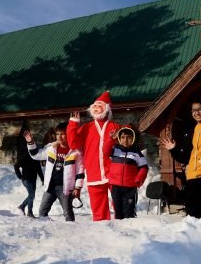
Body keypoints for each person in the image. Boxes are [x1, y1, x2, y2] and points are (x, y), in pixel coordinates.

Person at [67, 91, 121, 221]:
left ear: (107, 109)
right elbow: (73, 144)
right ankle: (102, 233)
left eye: (99, 105)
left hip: (114, 173)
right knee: (98, 211)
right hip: (94, 172)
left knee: (120, 206)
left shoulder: (116, 127)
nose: (96, 108)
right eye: (94, 106)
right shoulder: (86, 127)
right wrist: (73, 125)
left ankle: (125, 230)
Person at [24, 122, 84, 221]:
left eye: (63, 134)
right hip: (50, 186)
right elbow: (36, 155)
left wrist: (78, 188)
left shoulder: (76, 152)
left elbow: (80, 171)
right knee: (42, 211)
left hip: (65, 188)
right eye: (57, 134)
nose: (59, 136)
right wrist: (30, 142)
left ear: (69, 134)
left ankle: (71, 232)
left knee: (68, 213)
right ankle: (47, 232)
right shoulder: (51, 148)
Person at [107, 127, 148, 219]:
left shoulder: (137, 153)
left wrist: (139, 179)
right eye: (123, 137)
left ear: (133, 138)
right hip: (115, 186)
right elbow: (105, 151)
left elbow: (144, 168)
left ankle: (130, 230)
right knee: (118, 211)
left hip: (130, 188)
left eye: (129, 137)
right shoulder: (115, 150)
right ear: (119, 139)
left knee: (128, 211)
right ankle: (119, 232)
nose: (125, 140)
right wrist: (110, 139)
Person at [15, 152, 44, 218]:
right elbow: (16, 166)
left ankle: (26, 209)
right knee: (31, 194)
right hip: (26, 179)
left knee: (32, 196)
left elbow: (39, 169)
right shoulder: (25, 157)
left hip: (33, 180)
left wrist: (42, 179)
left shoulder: (36, 158)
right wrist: (20, 176)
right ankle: (26, 209)